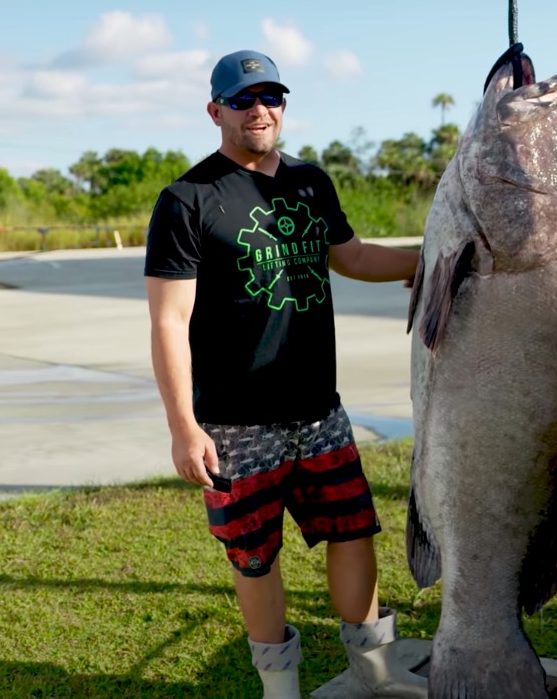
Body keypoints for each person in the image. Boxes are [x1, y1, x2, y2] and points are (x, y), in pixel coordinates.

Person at [143, 49, 426, 699]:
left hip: (320, 410)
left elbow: (349, 255)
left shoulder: (310, 181)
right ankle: (281, 688)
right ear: (215, 110)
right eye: (243, 99)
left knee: (354, 531)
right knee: (254, 555)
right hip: (236, 423)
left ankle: (374, 671)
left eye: (271, 95)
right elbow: (167, 323)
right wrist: (183, 425)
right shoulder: (187, 199)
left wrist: (432, 259)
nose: (260, 109)